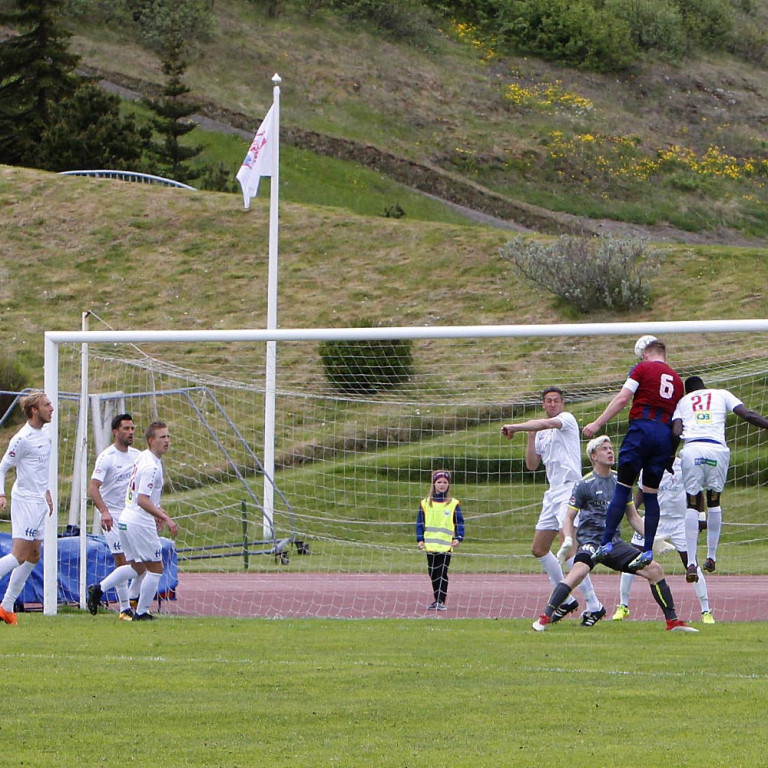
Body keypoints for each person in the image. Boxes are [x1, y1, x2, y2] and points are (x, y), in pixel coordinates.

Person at [533, 435, 697, 632]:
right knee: (577, 573)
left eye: (611, 448)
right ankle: (543, 618)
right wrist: (568, 539)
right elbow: (569, 518)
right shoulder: (584, 484)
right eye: (604, 449)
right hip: (591, 543)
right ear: (593, 456)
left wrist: (654, 539)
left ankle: (672, 622)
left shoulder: (621, 482)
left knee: (655, 570)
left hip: (614, 543)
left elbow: (633, 517)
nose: (610, 452)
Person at [583, 336, 684, 572]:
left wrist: (597, 424)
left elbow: (622, 399)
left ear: (646, 354)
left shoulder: (642, 368)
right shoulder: (678, 381)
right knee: (651, 494)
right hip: (663, 436)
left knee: (623, 487)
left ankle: (606, 542)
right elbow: (678, 422)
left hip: (641, 429)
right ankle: (648, 549)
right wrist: (671, 452)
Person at [501, 387, 603, 621]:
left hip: (570, 489)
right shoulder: (540, 432)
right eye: (548, 401)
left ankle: (594, 604)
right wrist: (529, 435)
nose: (553, 404)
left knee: (568, 549)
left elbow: (545, 424)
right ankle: (566, 599)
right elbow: (532, 464)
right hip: (552, 492)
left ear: (562, 403)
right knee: (539, 549)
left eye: (556, 400)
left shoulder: (565, 420)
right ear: (543, 405)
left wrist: (517, 427)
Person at [671, 375, 768, 578]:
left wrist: (669, 456)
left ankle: (690, 563)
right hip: (716, 449)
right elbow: (747, 414)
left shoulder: (682, 402)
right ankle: (712, 557)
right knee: (714, 501)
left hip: (692, 449)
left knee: (692, 503)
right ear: (704, 386)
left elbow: (676, 431)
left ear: (688, 391)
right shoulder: (721, 394)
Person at [87, 421, 177, 621]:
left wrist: (156, 511)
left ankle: (100, 588)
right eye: (162, 437)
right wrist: (165, 517)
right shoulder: (151, 466)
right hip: (138, 520)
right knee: (156, 568)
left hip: (127, 517)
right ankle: (141, 611)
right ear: (151, 440)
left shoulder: (143, 457)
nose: (167, 441)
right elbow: (142, 499)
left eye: (168, 436)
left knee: (138, 567)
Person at [612, 457, 715, 624]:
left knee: (691, 564)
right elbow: (640, 493)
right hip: (654, 521)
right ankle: (623, 606)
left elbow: (696, 492)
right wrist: (632, 512)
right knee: (631, 559)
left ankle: (706, 611)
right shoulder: (648, 466)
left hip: (680, 522)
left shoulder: (684, 465)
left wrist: (701, 516)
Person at [0, 391, 54, 625]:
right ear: (34, 410)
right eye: (47, 404)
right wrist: (1, 493)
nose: (51, 408)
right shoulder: (21, 439)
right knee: (20, 555)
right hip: (25, 501)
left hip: (39, 500)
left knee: (33, 556)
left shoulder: (46, 435)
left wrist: (48, 492)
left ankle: (6, 606)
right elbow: (3, 467)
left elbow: (41, 469)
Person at [88, 413, 142, 620]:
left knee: (144, 561)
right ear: (115, 432)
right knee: (122, 561)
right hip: (113, 516)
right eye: (126, 429)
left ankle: (131, 597)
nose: (130, 432)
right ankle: (124, 608)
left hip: (133, 515)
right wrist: (104, 511)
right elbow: (93, 488)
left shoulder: (138, 456)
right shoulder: (107, 457)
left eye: (132, 429)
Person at [416, 470, 464, 610]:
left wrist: (458, 538)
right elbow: (420, 522)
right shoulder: (425, 503)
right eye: (439, 482)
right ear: (434, 484)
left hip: (445, 546)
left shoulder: (453, 503)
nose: (442, 485)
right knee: (432, 572)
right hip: (430, 545)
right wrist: (420, 539)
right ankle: (436, 598)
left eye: (445, 482)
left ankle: (441, 600)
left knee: (441, 572)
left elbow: (459, 522)